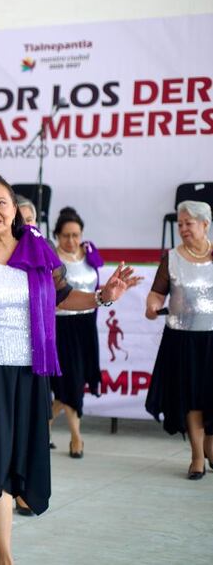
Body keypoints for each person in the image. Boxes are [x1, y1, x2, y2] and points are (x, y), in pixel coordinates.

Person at [0, 173, 136, 565]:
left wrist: (102, 296)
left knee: (6, 469)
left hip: (27, 375)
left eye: (0, 202)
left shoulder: (37, 250)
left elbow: (62, 298)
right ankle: (5, 559)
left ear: (15, 210)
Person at [145, 200, 213, 480]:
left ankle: (209, 446)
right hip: (182, 340)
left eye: (189, 223)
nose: (183, 228)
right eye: (180, 223)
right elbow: (157, 294)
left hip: (212, 340)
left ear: (205, 225)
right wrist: (151, 305)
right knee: (191, 400)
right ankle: (197, 456)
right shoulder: (171, 258)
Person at [51, 207, 110, 459]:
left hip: (86, 325)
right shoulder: (52, 258)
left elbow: (98, 272)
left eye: (76, 235)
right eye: (66, 235)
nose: (71, 240)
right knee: (71, 383)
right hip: (61, 326)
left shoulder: (88, 255)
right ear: (57, 236)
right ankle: (77, 438)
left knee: (76, 381)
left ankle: (43, 425)